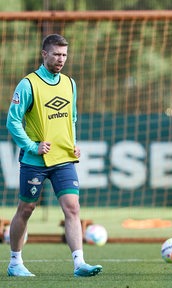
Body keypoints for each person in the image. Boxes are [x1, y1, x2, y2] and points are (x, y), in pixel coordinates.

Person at [5, 34, 102, 277]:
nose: (61, 59)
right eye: (57, 54)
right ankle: (15, 262)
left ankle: (79, 263)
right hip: (35, 161)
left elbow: (72, 118)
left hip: (63, 160)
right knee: (26, 208)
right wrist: (30, 145)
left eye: (64, 55)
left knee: (72, 208)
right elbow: (12, 121)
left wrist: (73, 144)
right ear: (44, 54)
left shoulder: (70, 84)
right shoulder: (28, 84)